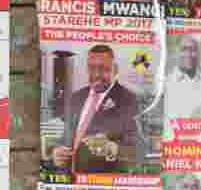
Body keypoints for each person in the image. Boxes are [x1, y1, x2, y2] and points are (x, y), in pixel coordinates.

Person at [51, 44, 140, 173]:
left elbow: (141, 148)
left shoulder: (129, 100)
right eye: (92, 68)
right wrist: (57, 152)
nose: (96, 74)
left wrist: (111, 148)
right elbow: (66, 137)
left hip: (107, 185)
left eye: (103, 68)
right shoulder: (76, 97)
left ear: (115, 69)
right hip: (74, 181)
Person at [164, 35, 201, 127]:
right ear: (176, 52)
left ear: (198, 53)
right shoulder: (165, 85)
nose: (188, 54)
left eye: (193, 50)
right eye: (184, 49)